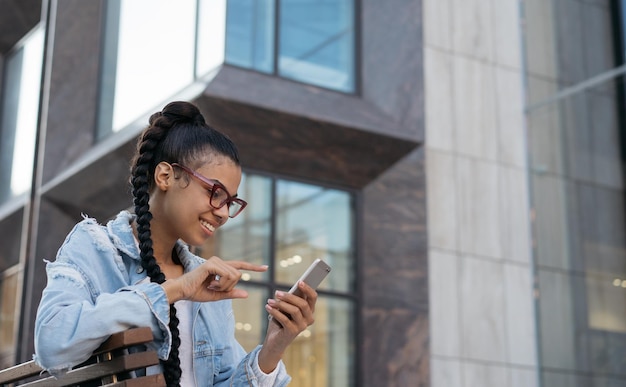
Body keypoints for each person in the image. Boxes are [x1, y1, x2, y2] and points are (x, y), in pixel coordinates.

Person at [34, 101, 318, 386]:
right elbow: (52, 345)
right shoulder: (96, 248)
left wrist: (272, 349)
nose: (222, 212)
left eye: (230, 202)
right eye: (215, 192)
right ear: (166, 176)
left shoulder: (208, 282)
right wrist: (172, 291)